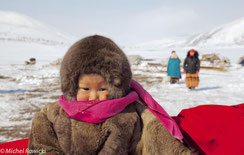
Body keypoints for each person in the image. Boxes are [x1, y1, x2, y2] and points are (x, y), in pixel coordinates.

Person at [28, 35, 196, 155]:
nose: (94, 96)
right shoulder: (52, 114)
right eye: (85, 89)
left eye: (102, 89)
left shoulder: (132, 112)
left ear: (117, 85)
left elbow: (156, 137)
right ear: (71, 87)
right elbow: (42, 141)